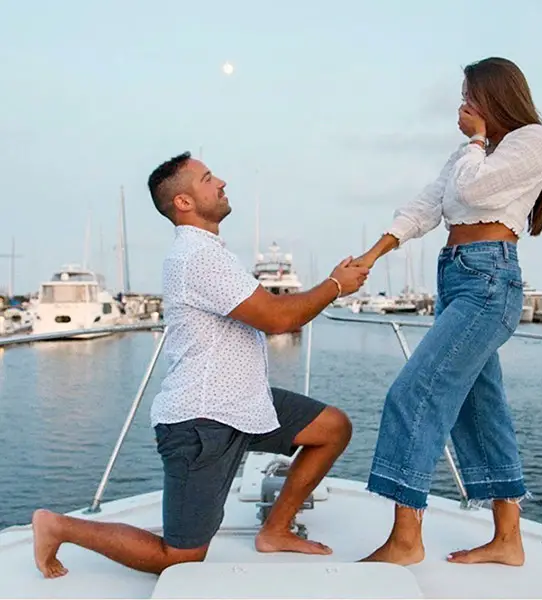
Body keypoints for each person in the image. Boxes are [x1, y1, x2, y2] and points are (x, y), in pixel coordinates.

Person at [32, 152, 369, 578]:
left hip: (242, 403)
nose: (222, 182)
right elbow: (280, 318)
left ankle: (276, 530)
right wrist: (336, 285)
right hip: (201, 421)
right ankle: (58, 526)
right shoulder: (196, 257)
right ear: (184, 203)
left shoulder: (211, 252)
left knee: (332, 428)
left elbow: (268, 309)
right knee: (179, 558)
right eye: (209, 179)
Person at [352, 57, 542, 567]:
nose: (462, 104)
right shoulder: (472, 152)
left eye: (469, 94)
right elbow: (428, 205)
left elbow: (471, 191)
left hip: (490, 280)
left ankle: (405, 540)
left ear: (495, 95)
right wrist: (373, 255)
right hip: (457, 277)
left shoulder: (533, 140)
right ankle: (508, 540)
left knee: (414, 393)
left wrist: (473, 141)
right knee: (479, 408)